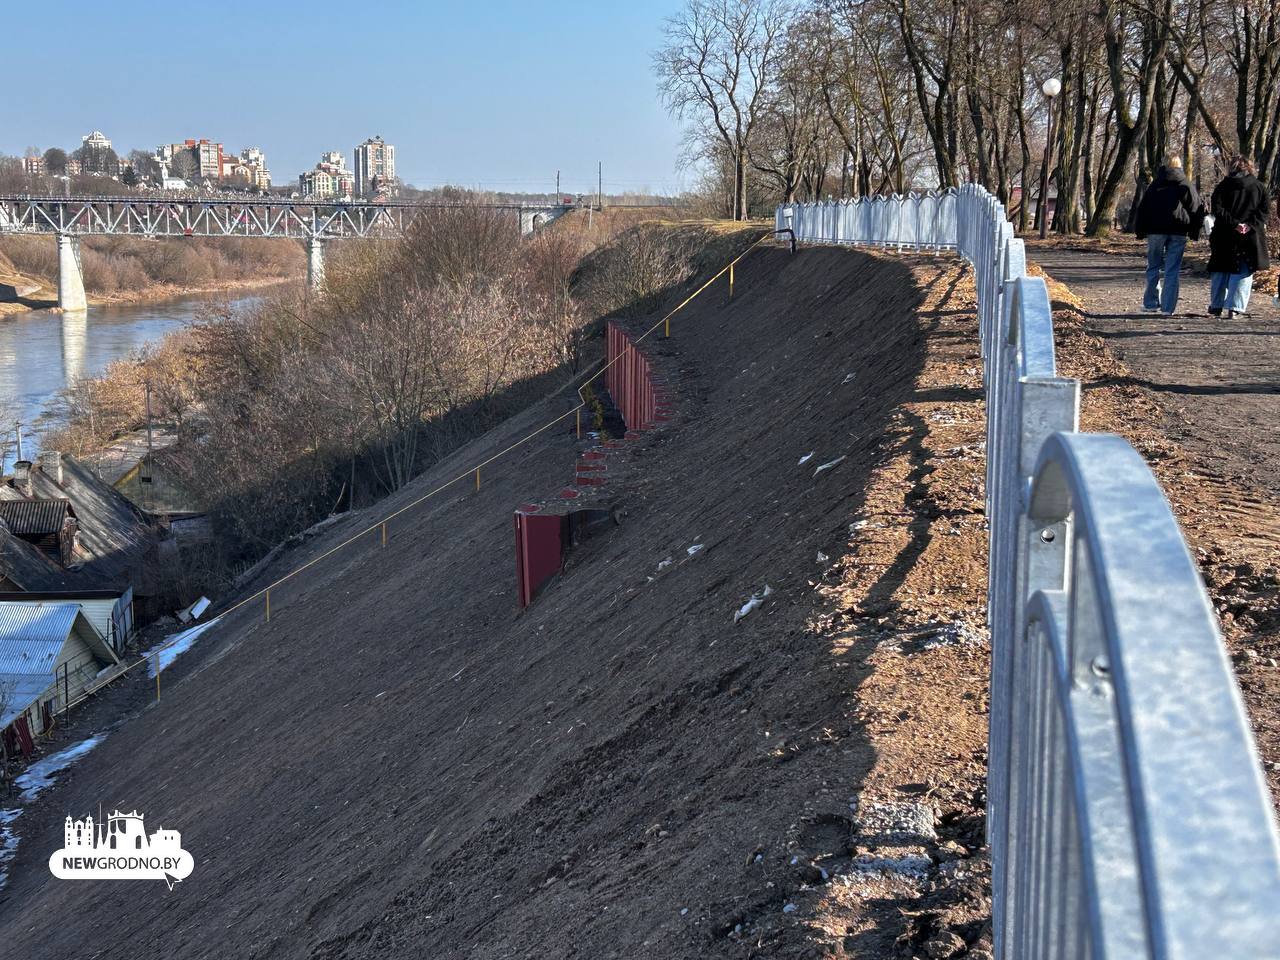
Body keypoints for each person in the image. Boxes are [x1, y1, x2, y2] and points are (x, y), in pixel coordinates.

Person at [1134, 156, 1202, 315]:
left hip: (1156, 230)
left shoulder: (1156, 184)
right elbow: (1195, 208)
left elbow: (1144, 208)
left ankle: (1151, 304)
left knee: (1153, 266)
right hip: (1179, 231)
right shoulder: (1185, 184)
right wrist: (1194, 230)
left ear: (1164, 165)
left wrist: (1140, 230)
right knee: (1172, 270)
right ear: (1180, 166)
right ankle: (1168, 308)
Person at [1207, 155, 1271, 317]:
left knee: (1220, 269)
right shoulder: (1259, 187)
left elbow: (1217, 209)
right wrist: (1249, 224)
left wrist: (1234, 224)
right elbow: (1264, 211)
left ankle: (1216, 304)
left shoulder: (1222, 187)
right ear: (1249, 168)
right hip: (1250, 235)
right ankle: (1235, 307)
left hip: (1224, 234)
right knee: (1244, 270)